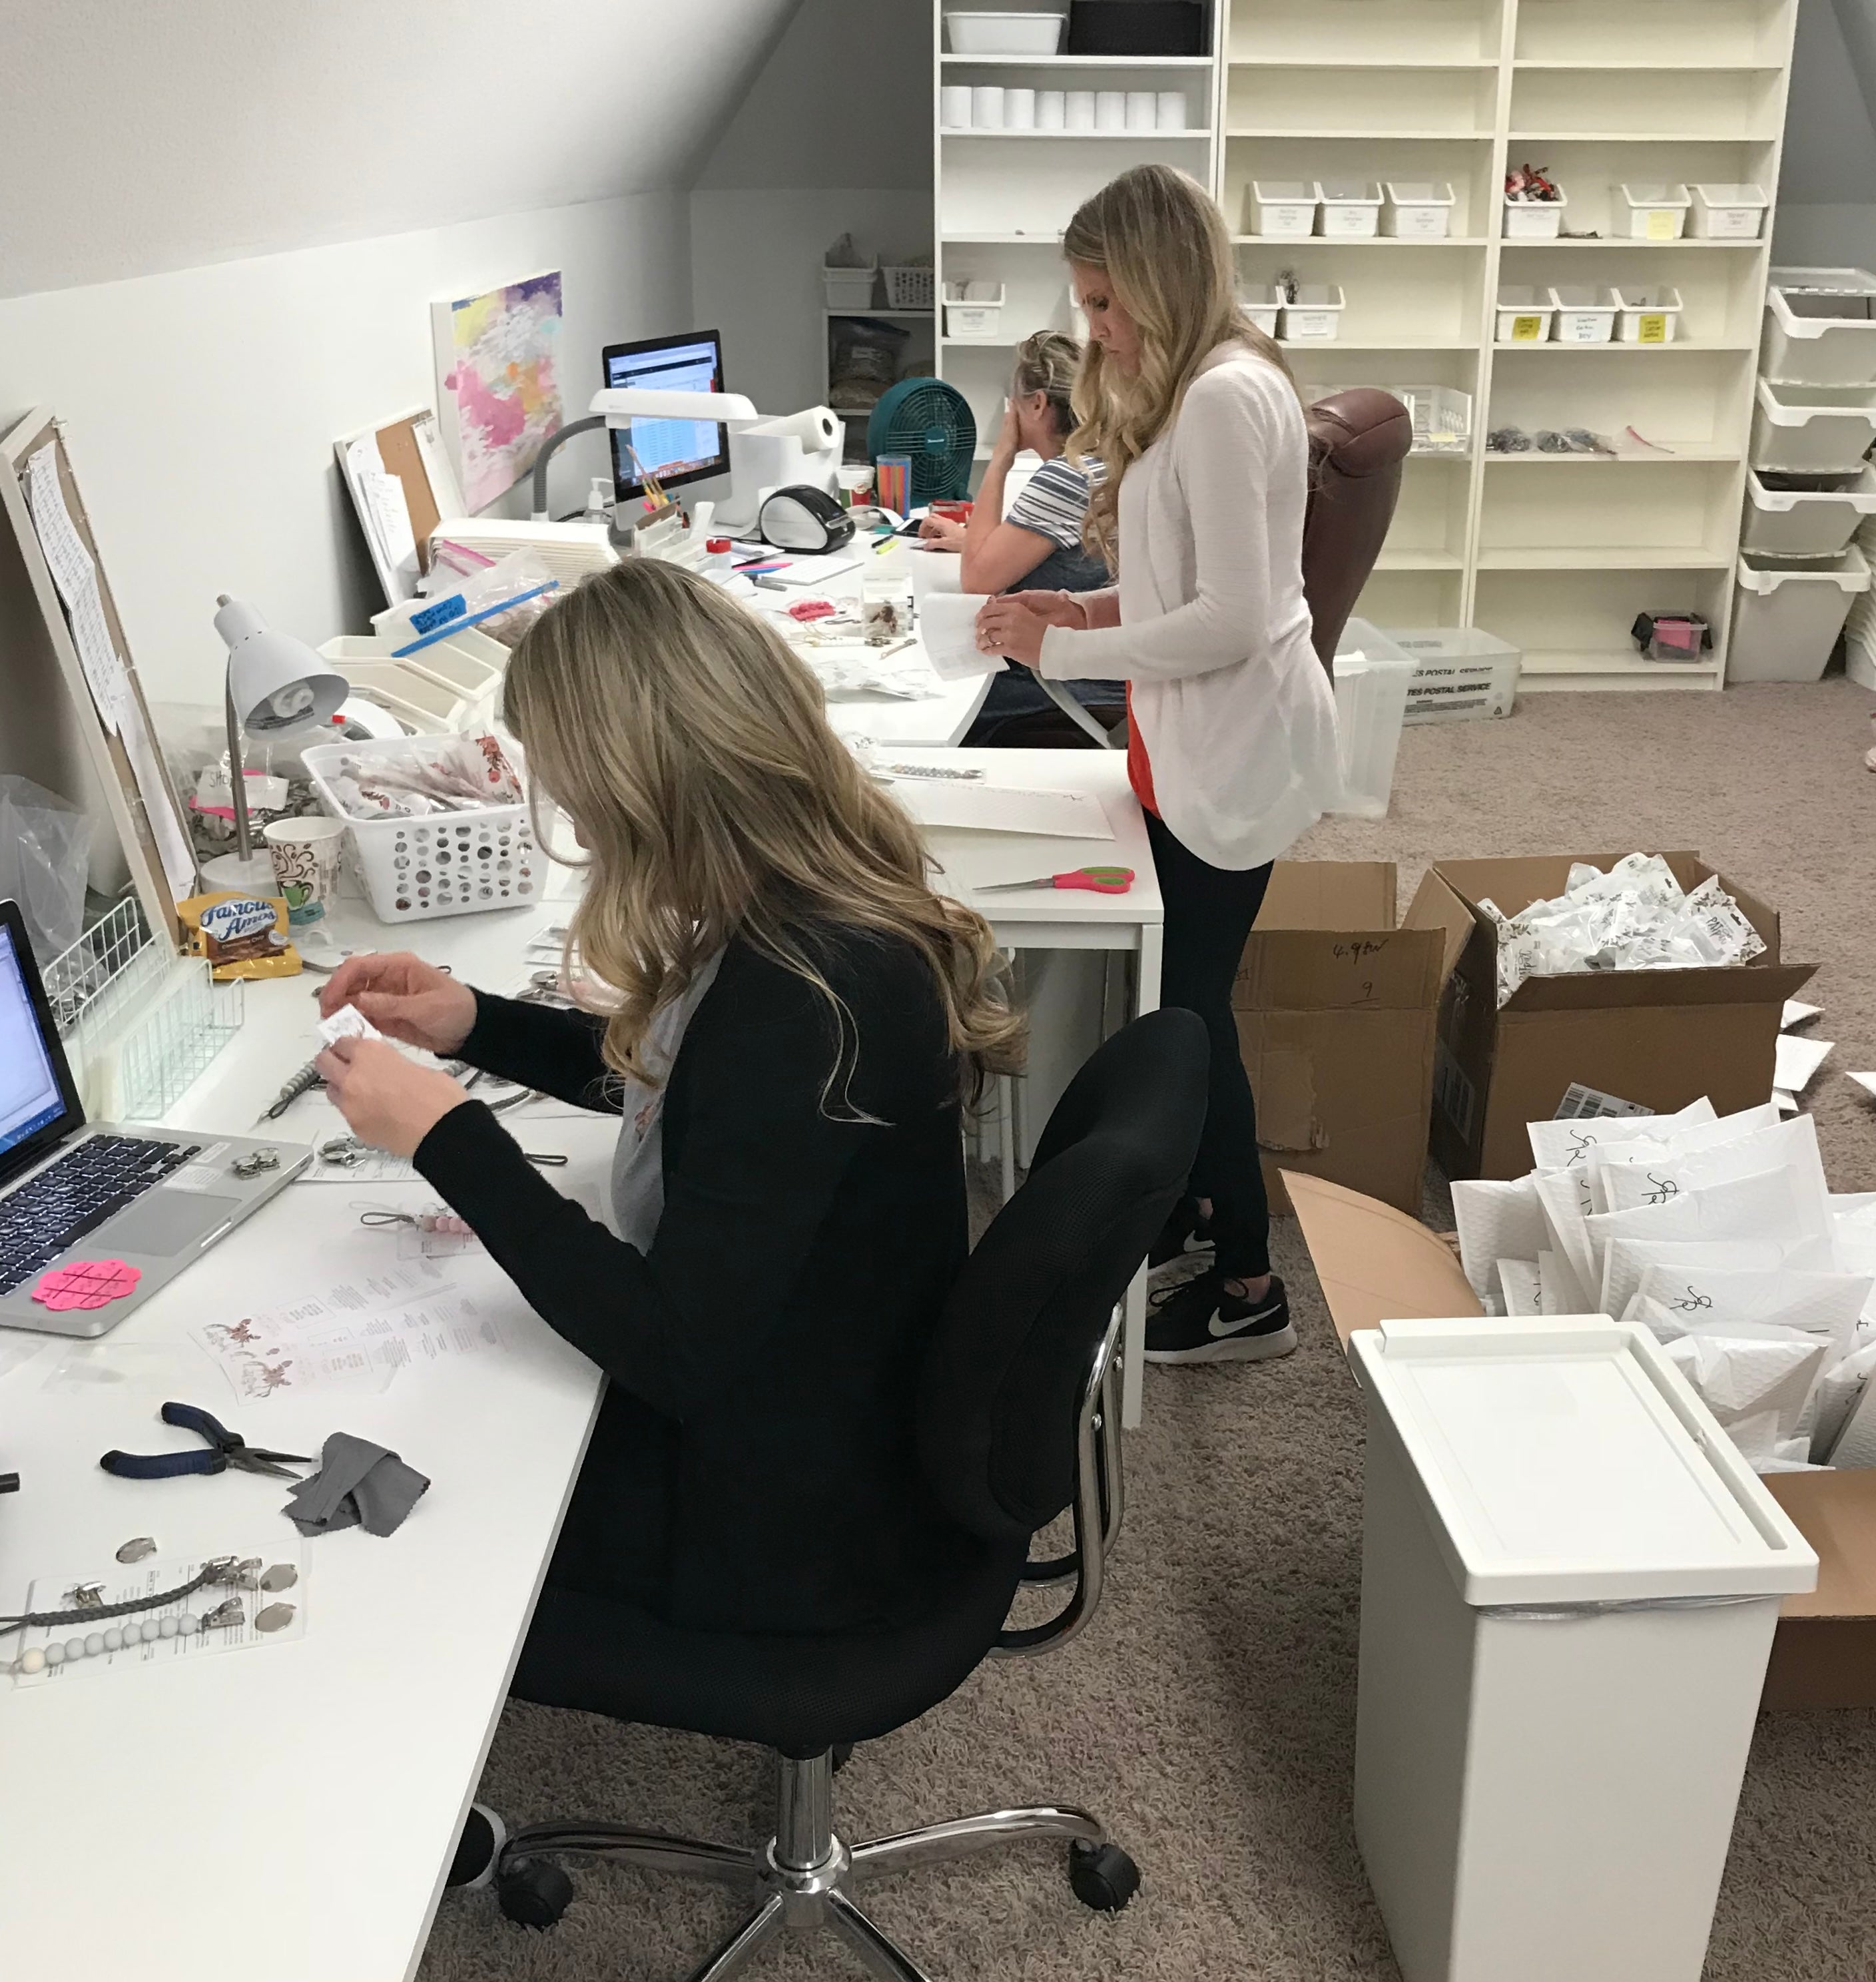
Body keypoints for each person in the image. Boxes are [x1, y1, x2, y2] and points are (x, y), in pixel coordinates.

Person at [312, 557, 1024, 1636]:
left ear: (641, 785)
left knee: (405, 1487)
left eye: (569, 784)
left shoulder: (801, 995)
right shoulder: (808, 909)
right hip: (833, 1406)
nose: (578, 828)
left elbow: (675, 1351)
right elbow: (704, 1094)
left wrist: (448, 1135)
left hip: (789, 1519)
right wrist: (477, 1023)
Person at [976, 163, 1345, 1369]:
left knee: (1191, 1019)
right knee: (1184, 1002)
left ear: (1157, 281)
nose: (1094, 330)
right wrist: (1082, 621)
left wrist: (1077, 633)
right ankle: (1192, 1203)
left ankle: (1249, 1289)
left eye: (1101, 303)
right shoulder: (1196, 387)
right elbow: (1196, 586)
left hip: (1237, 740)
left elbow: (1234, 617)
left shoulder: (1229, 398)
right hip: (1192, 731)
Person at [916, 330, 1120, 745]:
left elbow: (977, 580)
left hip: (1061, 689)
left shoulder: (1066, 474)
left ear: (1038, 404)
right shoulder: (1101, 460)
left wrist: (1002, 456)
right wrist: (971, 537)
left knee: (928, 708)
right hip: (1105, 673)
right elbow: (1039, 548)